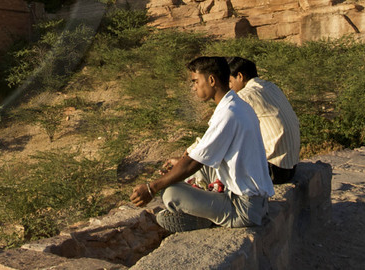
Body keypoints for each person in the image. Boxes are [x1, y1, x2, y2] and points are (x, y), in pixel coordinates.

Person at [129, 56, 273, 232]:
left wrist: (151, 189)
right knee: (187, 170)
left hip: (243, 209)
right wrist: (179, 164)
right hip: (257, 201)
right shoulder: (237, 105)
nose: (194, 87)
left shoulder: (228, 113)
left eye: (196, 81)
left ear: (211, 80)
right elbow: (201, 156)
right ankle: (208, 207)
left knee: (170, 193)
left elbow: (192, 163)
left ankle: (208, 219)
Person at [228, 56, 302, 184]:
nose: (230, 87)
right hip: (291, 167)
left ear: (240, 76)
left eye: (229, 81)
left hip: (273, 171)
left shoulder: (245, 95)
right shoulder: (271, 86)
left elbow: (226, 131)